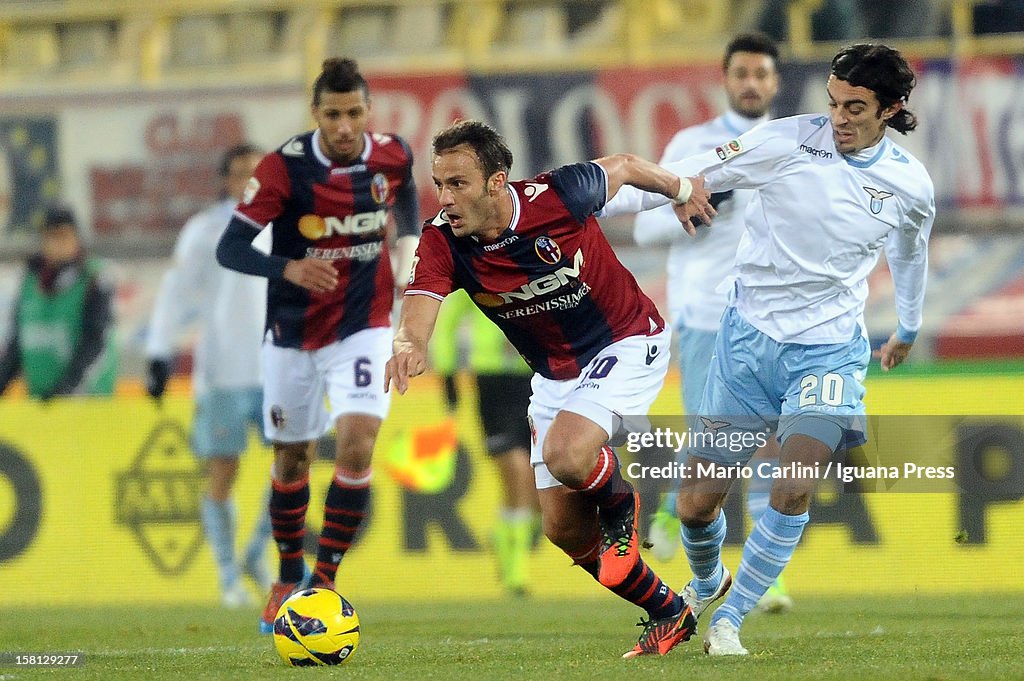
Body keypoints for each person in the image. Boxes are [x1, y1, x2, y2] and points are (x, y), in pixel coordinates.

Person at [608, 43, 934, 655]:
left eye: (855, 108)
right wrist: (602, 195)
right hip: (747, 343)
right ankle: (707, 584)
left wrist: (908, 327)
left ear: (890, 110)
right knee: (696, 504)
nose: (837, 117)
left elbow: (909, 256)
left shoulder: (910, 185)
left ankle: (729, 620)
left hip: (829, 350)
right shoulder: (787, 140)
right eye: (833, 102)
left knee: (793, 483)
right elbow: (693, 171)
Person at [385, 119, 714, 658]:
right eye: (439, 184)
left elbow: (627, 166)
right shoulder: (443, 238)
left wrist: (681, 189)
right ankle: (668, 610)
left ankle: (622, 505)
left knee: (568, 455)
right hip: (555, 374)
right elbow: (420, 303)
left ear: (497, 182)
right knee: (561, 528)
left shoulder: (559, 195)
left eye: (458, 184)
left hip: (626, 341)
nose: (445, 198)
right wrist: (409, 343)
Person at [215, 57, 420, 634]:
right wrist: (288, 269)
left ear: (368, 110)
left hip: (364, 326)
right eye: (333, 115)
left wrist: (405, 241)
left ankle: (323, 579)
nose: (345, 126)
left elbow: (404, 196)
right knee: (291, 457)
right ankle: (286, 572)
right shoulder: (285, 168)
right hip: (293, 335)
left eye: (355, 112)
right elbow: (230, 248)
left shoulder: (392, 153)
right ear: (316, 115)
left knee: (357, 443)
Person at [635, 32, 792, 614]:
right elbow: (646, 228)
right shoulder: (693, 145)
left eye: (762, 74)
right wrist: (698, 208)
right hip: (705, 315)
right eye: (742, 73)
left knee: (770, 444)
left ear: (775, 82)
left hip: (773, 317)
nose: (752, 83)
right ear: (726, 80)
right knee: (717, 446)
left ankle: (759, 575)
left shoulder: (791, 144)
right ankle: (676, 508)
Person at [145, 144, 273, 609]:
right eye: (241, 172)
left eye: (258, 172)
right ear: (225, 180)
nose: (249, 180)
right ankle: (227, 577)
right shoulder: (204, 230)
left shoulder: (290, 226)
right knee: (223, 470)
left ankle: (257, 554)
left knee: (292, 465)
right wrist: (160, 352)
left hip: (279, 366)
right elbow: (175, 293)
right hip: (221, 371)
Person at [430, 289, 540, 596]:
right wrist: (448, 374)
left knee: (536, 489)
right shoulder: (479, 267)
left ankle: (504, 531)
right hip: (491, 380)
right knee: (517, 471)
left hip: (532, 378)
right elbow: (449, 320)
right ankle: (516, 572)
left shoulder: (532, 268)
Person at [0, 204, 116, 399]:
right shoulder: (31, 281)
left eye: (64, 236)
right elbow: (17, 344)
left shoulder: (94, 279)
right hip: (41, 403)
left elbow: (95, 341)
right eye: (51, 236)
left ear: (76, 238)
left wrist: (66, 389)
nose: (58, 243)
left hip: (87, 403)